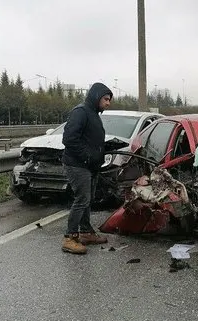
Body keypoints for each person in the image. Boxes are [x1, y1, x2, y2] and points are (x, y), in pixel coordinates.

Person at [60, 82, 113, 254]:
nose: (108, 103)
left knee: (87, 200)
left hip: (89, 165)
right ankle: (70, 238)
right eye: (105, 99)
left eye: (109, 100)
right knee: (82, 199)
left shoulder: (93, 114)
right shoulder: (80, 112)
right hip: (77, 164)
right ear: (96, 96)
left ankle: (86, 232)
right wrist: (87, 157)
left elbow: (90, 140)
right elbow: (69, 139)